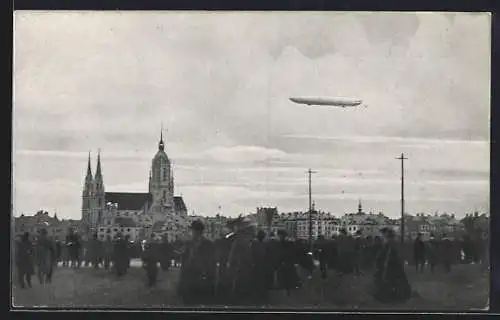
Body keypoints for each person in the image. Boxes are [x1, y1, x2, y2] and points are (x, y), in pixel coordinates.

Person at [178, 220, 217, 305]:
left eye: (195, 230)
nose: (193, 233)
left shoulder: (208, 245)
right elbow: (183, 265)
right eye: (193, 231)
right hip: (189, 280)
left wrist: (211, 281)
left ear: (200, 231)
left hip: (202, 281)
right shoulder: (188, 244)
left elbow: (212, 265)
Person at [372, 228, 412, 304]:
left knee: (388, 281)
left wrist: (384, 264)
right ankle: (399, 295)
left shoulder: (389, 244)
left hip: (390, 266)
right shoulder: (393, 243)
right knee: (397, 281)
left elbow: (387, 255)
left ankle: (389, 297)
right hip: (394, 265)